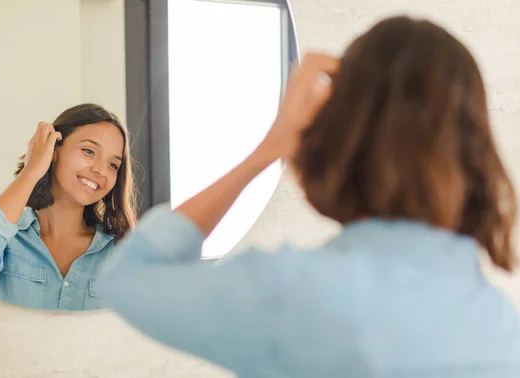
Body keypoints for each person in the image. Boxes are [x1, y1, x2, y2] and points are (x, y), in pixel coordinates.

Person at [96, 16, 520, 377]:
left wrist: (270, 147)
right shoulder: (502, 328)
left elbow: (129, 278)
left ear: (342, 132)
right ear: (474, 151)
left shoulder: (293, 294)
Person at [0, 103, 137, 311]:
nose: (100, 170)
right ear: (54, 150)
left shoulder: (119, 252)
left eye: (113, 164)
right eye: (89, 151)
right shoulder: (8, 240)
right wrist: (32, 169)